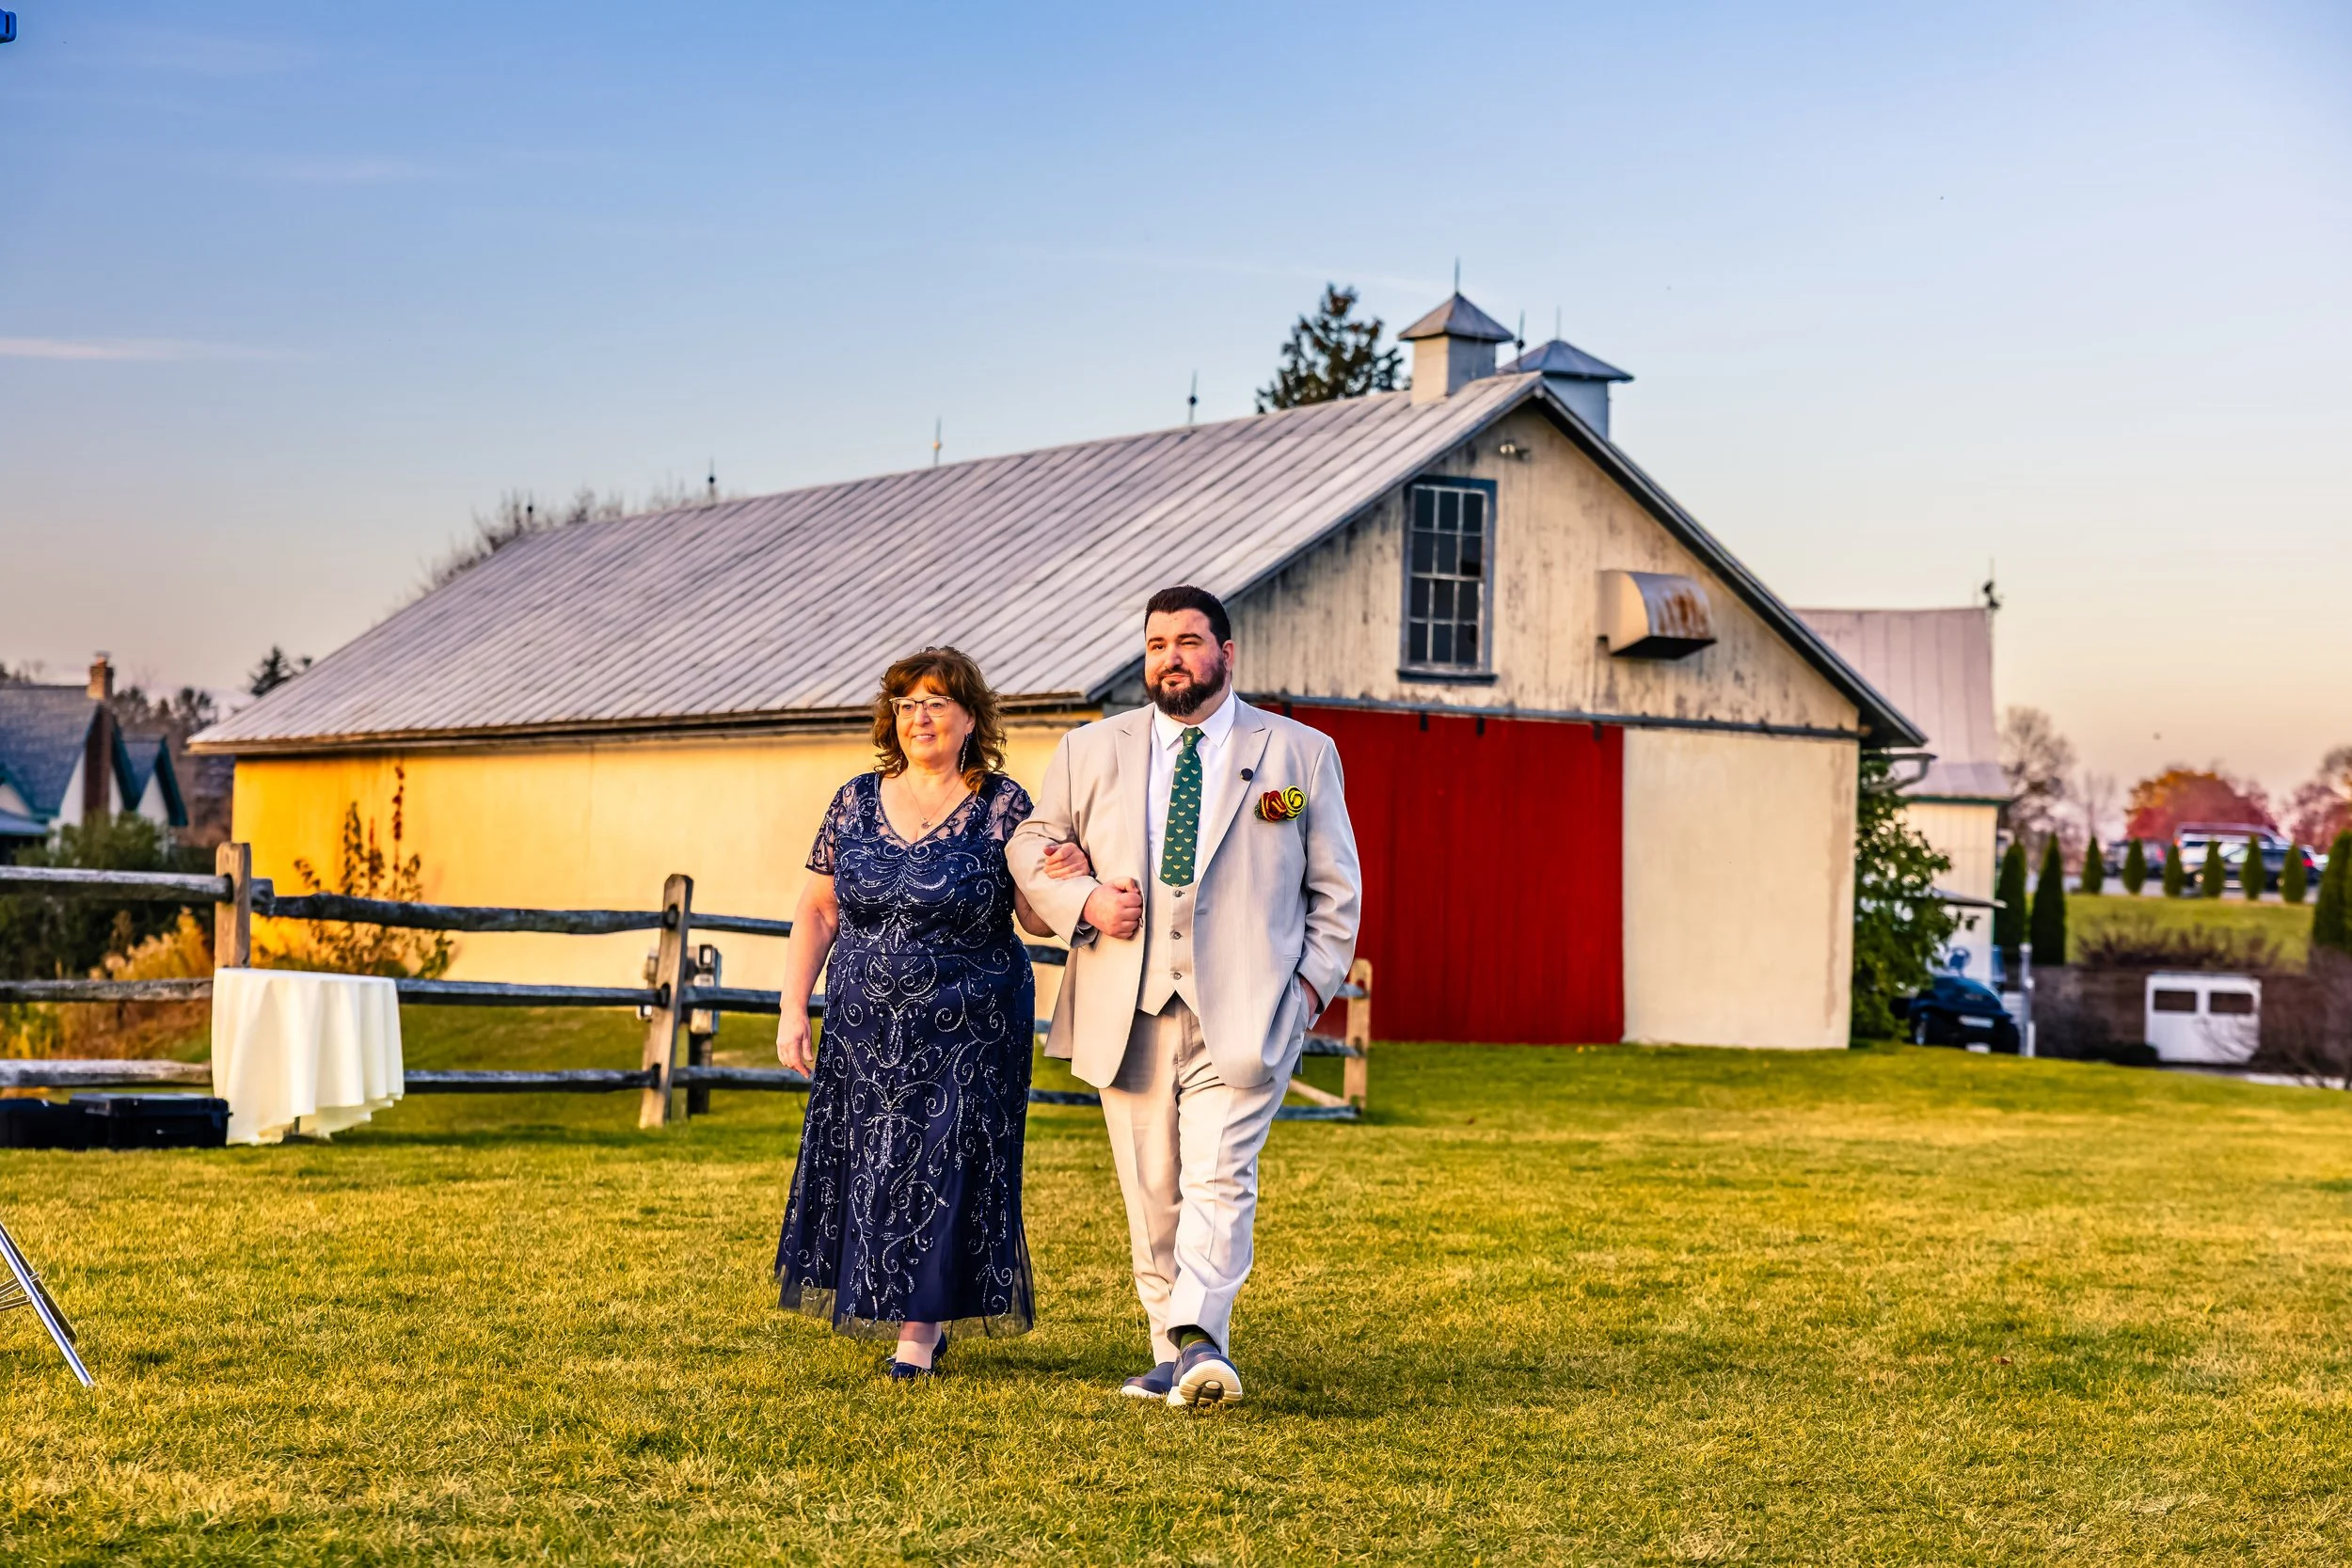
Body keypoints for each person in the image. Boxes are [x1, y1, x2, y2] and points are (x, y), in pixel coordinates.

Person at [1008, 585, 1361, 1409]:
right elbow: (1032, 844)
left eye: (1189, 641)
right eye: (1157, 642)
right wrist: (1084, 899)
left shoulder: (1298, 757)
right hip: (1124, 1001)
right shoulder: (1092, 749)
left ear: (1226, 654)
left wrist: (1305, 993)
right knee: (1152, 1185)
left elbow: (1335, 891)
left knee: (1219, 1173)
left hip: (1248, 1008)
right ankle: (1173, 1350)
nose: (1172, 656)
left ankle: (1198, 1333)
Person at [772, 647, 1084, 1381]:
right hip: (864, 1027)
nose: (920, 716)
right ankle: (894, 1299)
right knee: (876, 1161)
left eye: (937, 702)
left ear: (971, 717)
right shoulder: (852, 799)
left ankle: (919, 1331)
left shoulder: (1005, 805)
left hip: (973, 1025)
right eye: (907, 703)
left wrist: (1067, 871)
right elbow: (819, 909)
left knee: (948, 1161)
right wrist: (794, 1007)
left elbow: (1037, 920)